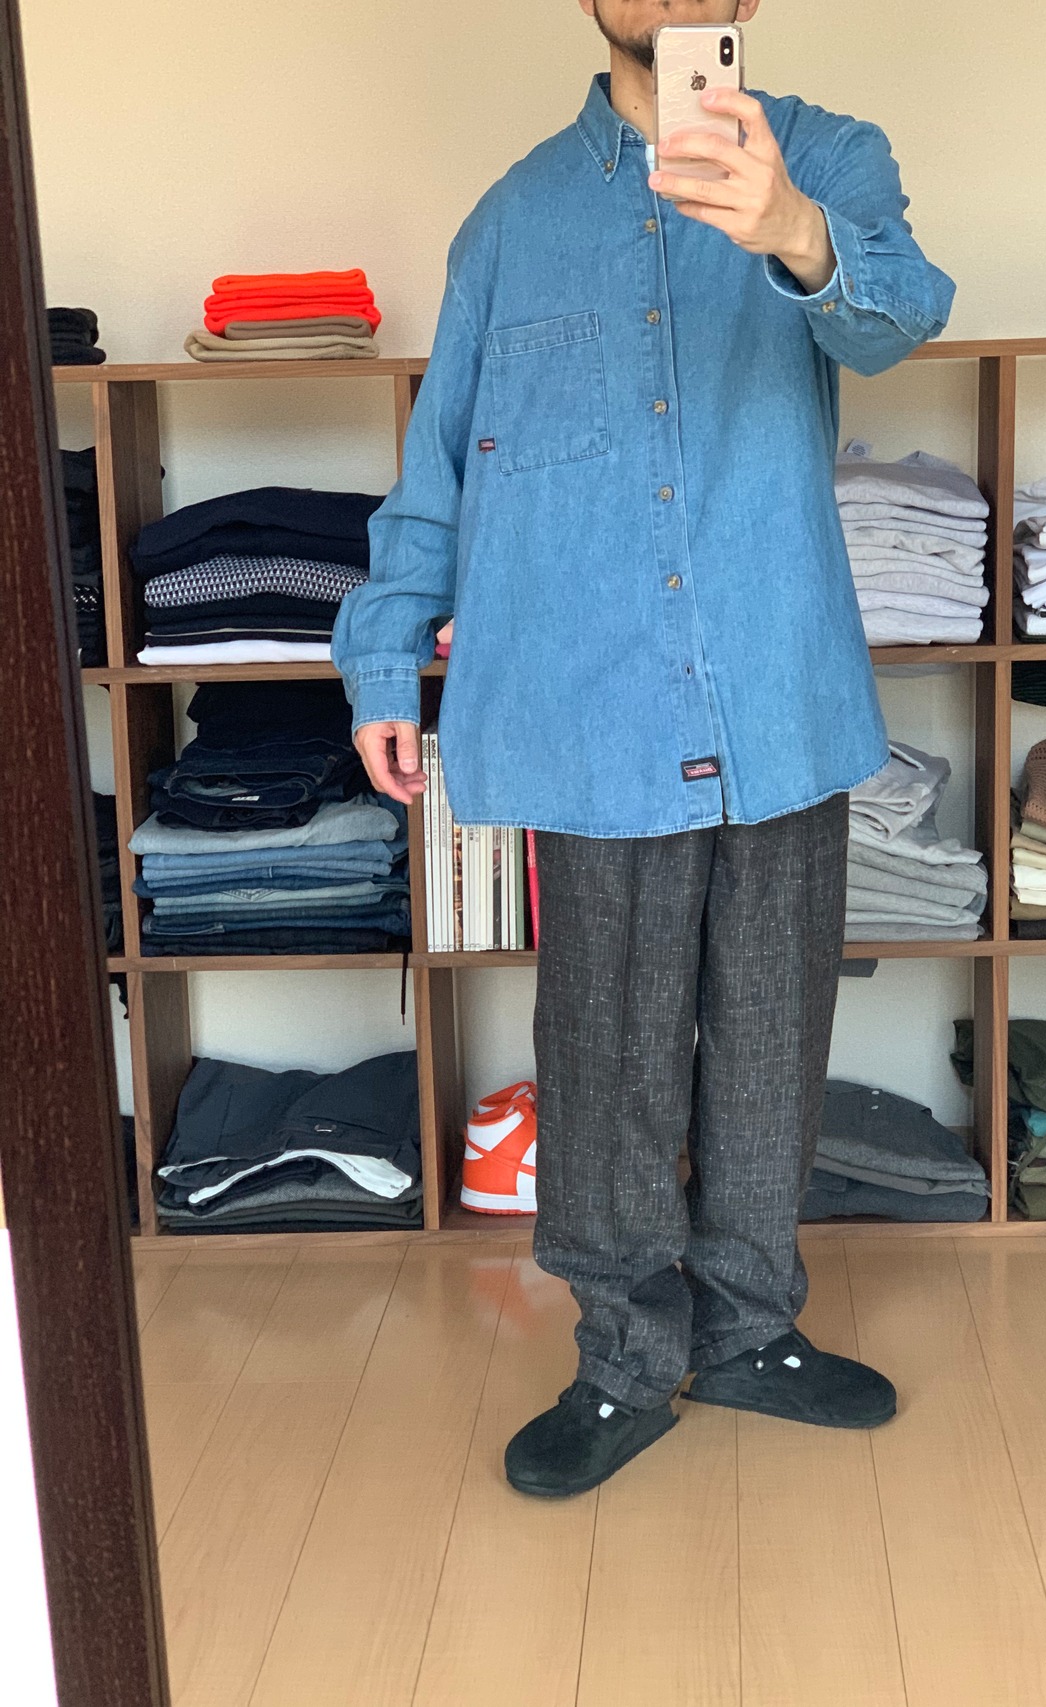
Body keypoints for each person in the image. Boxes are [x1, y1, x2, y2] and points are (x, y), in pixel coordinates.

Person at [333, 0, 955, 1499]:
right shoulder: (511, 222)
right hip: (591, 699)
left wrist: (795, 231)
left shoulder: (829, 158)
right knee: (604, 1049)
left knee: (771, 1031)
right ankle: (622, 1356)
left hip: (774, 688)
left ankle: (749, 1332)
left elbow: (900, 316)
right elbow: (443, 457)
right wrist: (385, 653)